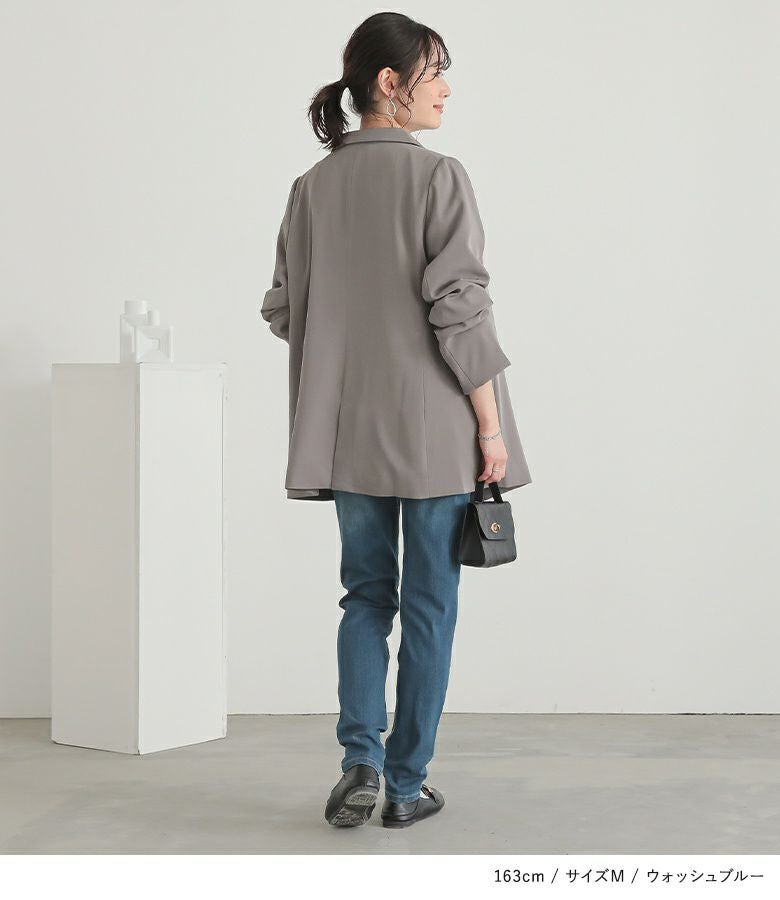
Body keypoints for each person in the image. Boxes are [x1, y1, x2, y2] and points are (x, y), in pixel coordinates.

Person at [260, 12, 532, 829]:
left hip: (347, 433)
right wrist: (491, 429)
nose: (445, 89)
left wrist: (347, 346)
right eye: (434, 71)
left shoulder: (311, 188)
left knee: (364, 597)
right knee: (429, 606)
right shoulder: (439, 177)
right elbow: (460, 309)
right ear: (390, 82)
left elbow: (284, 309)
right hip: (435, 431)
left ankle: (360, 762)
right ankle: (407, 785)